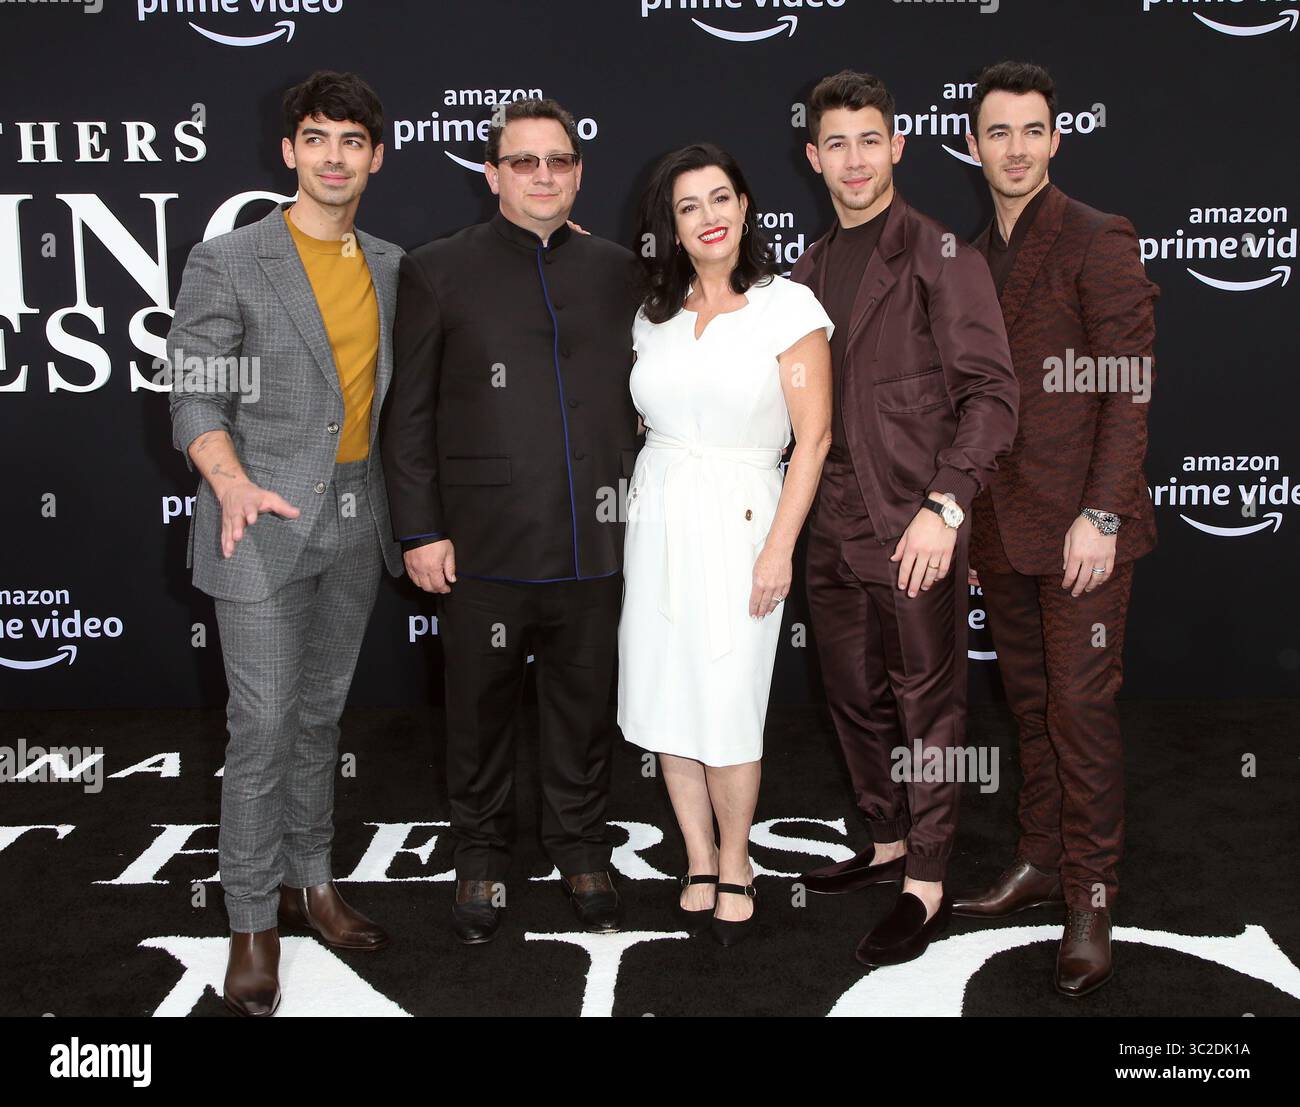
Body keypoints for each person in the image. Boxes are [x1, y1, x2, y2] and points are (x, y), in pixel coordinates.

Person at [167, 70, 403, 1016]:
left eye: (352, 141)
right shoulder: (230, 260)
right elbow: (193, 390)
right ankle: (251, 922)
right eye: (317, 139)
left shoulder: (389, 262)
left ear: (375, 157)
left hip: (356, 514)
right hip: (256, 518)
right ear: (290, 151)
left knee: (320, 715)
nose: (334, 157)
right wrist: (227, 480)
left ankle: (315, 883)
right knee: (261, 726)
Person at [380, 99, 642, 944]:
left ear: (577, 172)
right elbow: (408, 413)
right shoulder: (436, 269)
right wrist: (419, 529)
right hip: (481, 544)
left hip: (596, 541)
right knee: (478, 712)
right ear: (491, 174)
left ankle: (577, 843)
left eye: (557, 161)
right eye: (522, 161)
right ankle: (482, 855)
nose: (541, 175)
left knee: (583, 706)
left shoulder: (618, 270)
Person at [791, 70, 1018, 967]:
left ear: (897, 146)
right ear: (814, 157)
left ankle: (927, 879)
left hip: (913, 521)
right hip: (830, 523)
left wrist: (945, 505)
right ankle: (884, 841)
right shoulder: (805, 271)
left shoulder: (939, 254)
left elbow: (993, 396)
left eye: (868, 140)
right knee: (850, 691)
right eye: (835, 143)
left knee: (929, 704)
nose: (854, 159)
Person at [953, 61, 1159, 997]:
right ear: (972, 145)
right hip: (1001, 528)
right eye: (999, 132)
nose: (1017, 149)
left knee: (1079, 713)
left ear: (1055, 138)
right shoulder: (965, 257)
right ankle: (1040, 858)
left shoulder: (1095, 236)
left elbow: (1127, 384)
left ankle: (1092, 895)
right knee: (1030, 707)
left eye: (1032, 130)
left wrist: (1103, 512)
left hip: (1084, 529)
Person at [618, 144, 833, 946]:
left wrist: (779, 549)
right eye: (688, 207)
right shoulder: (652, 315)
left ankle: (738, 858)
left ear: (745, 208)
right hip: (658, 515)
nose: (708, 217)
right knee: (668, 692)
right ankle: (698, 855)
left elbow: (812, 440)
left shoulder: (790, 308)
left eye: (720, 199)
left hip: (746, 516)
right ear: (671, 227)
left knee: (730, 698)